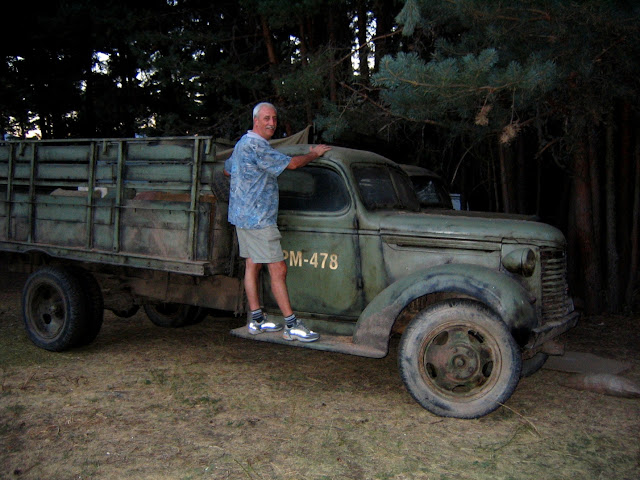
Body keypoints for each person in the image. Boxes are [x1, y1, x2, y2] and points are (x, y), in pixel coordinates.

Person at [224, 102, 331, 342]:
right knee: (278, 268)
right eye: (266, 118)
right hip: (259, 219)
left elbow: (227, 171)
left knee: (252, 265)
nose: (271, 123)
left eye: (274, 118)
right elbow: (292, 164)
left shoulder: (242, 144)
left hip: (242, 217)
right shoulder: (257, 146)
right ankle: (291, 324)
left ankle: (256, 320)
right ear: (256, 120)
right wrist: (314, 153)